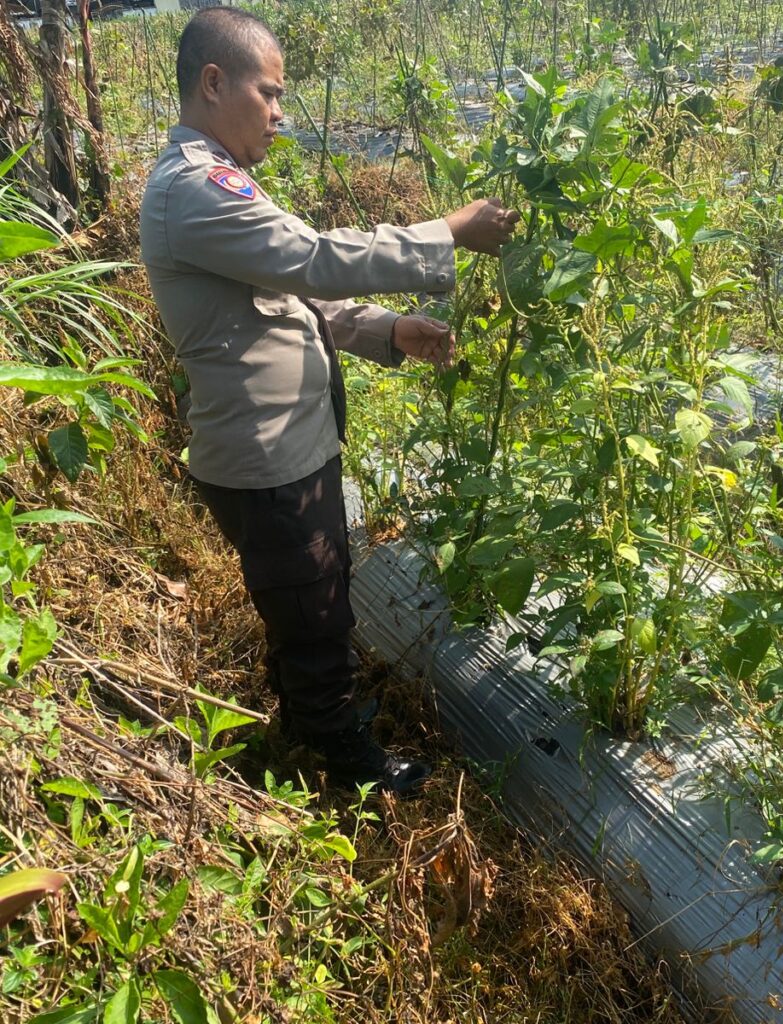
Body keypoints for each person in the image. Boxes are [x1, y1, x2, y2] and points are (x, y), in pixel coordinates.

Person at [140, 7, 518, 795]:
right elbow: (312, 260)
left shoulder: (216, 183)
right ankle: (345, 771)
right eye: (269, 94)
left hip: (286, 450)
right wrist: (447, 231)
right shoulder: (194, 189)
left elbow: (285, 299)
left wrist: (387, 330)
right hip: (267, 460)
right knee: (315, 617)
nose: (280, 116)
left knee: (310, 600)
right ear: (214, 83)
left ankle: (308, 721)